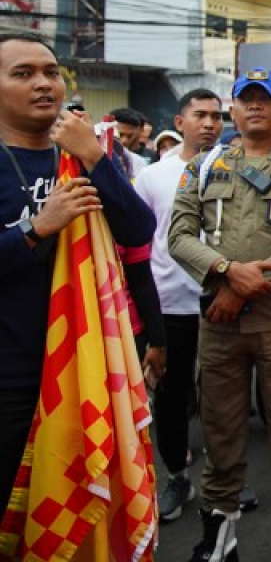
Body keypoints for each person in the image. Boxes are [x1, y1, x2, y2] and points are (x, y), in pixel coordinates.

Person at [168, 68, 271, 561]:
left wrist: (243, 287)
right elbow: (178, 237)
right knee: (220, 432)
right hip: (219, 324)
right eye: (247, 100)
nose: (256, 107)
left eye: (267, 99)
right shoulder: (202, 165)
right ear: (233, 110)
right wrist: (225, 270)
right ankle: (219, 540)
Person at [0, 31, 157, 508]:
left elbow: (137, 230)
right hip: (12, 377)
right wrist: (36, 228)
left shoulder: (82, 157)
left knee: (80, 507)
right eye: (22, 74)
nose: (44, 84)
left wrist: (92, 156)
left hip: (87, 369)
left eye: (51, 72)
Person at [134, 88, 224, 523]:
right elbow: (140, 244)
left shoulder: (237, 168)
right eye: (200, 115)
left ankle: (229, 478)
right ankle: (176, 475)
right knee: (169, 399)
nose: (209, 123)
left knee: (223, 398)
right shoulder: (152, 177)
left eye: (216, 116)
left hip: (222, 303)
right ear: (180, 121)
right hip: (170, 305)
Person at [108, 106, 150, 179]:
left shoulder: (140, 163)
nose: (124, 140)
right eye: (120, 134)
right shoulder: (93, 158)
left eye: (130, 136)